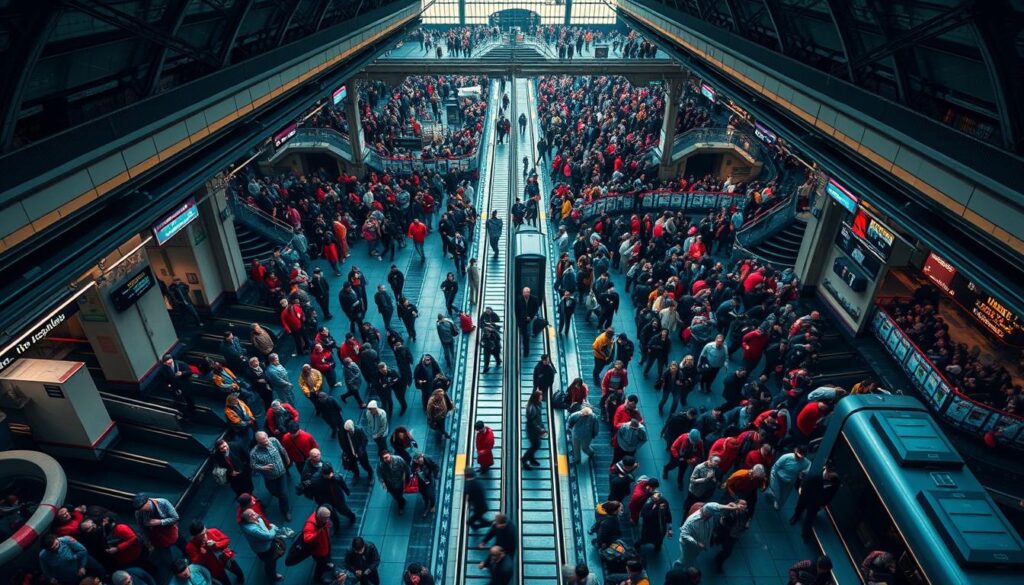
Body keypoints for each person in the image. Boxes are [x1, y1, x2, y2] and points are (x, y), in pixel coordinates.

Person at [677, 501, 744, 569]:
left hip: (700, 544)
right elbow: (684, 534)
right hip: (690, 544)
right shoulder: (692, 522)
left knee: (694, 555)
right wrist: (696, 543)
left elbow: (715, 506)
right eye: (708, 514)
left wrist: (727, 506)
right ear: (703, 512)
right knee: (685, 559)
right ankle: (678, 567)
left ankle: (689, 562)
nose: (710, 516)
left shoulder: (709, 514)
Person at [249, 431, 292, 521]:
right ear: (258, 442)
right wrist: (263, 467)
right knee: (274, 492)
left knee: (284, 494)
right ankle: (281, 498)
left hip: (281, 473)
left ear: (267, 436)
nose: (265, 443)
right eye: (262, 442)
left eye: (266, 440)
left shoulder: (274, 441)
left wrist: (287, 458)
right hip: (270, 477)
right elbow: (253, 465)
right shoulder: (254, 453)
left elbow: (282, 450)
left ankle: (286, 511)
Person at [185, 521, 244, 585]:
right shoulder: (190, 547)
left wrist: (216, 544)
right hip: (215, 567)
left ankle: (240, 577)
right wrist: (202, 553)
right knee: (225, 581)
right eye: (201, 535)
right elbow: (196, 562)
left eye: (205, 532)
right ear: (194, 536)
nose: (205, 536)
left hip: (225, 557)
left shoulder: (213, 531)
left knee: (238, 571)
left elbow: (226, 540)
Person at [791, 466, 841, 539]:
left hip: (817, 502)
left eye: (831, 475)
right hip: (807, 495)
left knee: (810, 517)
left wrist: (823, 504)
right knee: (800, 506)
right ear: (826, 470)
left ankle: (805, 533)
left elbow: (831, 494)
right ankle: (796, 516)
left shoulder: (835, 481)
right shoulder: (817, 474)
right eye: (829, 474)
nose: (829, 477)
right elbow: (807, 481)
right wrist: (802, 490)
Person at [239, 509, 287, 582]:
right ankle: (272, 575)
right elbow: (268, 536)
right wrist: (273, 528)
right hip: (264, 549)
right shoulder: (253, 530)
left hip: (263, 545)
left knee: (268, 559)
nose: (256, 513)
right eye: (254, 513)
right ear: (250, 517)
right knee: (270, 562)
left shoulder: (253, 520)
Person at [38, 533, 103, 585]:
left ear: (56, 538)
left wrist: (80, 564)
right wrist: (51, 578)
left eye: (56, 544)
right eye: (52, 548)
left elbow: (83, 551)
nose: (55, 548)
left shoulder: (66, 540)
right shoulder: (43, 556)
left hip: (80, 568)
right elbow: (45, 570)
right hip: (68, 579)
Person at [769, 445, 811, 510]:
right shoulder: (786, 457)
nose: (799, 458)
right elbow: (775, 467)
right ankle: (775, 499)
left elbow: (809, 467)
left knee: (784, 497)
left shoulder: (805, 462)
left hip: (790, 482)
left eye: (801, 457)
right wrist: (772, 478)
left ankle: (778, 503)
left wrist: (803, 473)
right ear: (796, 451)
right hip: (779, 478)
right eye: (798, 456)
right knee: (776, 493)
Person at [302, 507, 334, 582]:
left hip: (325, 543)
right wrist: (318, 533)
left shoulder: (321, 519)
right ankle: (318, 578)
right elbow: (307, 538)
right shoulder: (310, 525)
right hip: (319, 551)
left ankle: (327, 564)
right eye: (326, 519)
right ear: (321, 519)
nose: (328, 520)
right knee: (320, 565)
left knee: (326, 557)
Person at [514, 287, 541, 356]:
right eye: (524, 292)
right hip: (522, 320)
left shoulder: (534, 299)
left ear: (529, 293)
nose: (526, 294)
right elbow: (517, 310)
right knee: (525, 335)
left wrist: (531, 317)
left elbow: (536, 309)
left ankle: (526, 351)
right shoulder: (519, 299)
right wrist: (518, 320)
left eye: (527, 292)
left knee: (527, 335)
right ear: (522, 293)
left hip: (530, 319)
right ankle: (526, 351)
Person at [522, 390, 545, 469]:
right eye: (540, 396)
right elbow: (533, 422)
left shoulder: (538, 404)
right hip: (532, 431)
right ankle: (524, 459)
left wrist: (542, 427)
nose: (542, 397)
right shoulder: (532, 408)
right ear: (536, 397)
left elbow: (538, 419)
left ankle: (531, 458)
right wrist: (540, 429)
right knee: (536, 445)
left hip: (535, 429)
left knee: (535, 445)